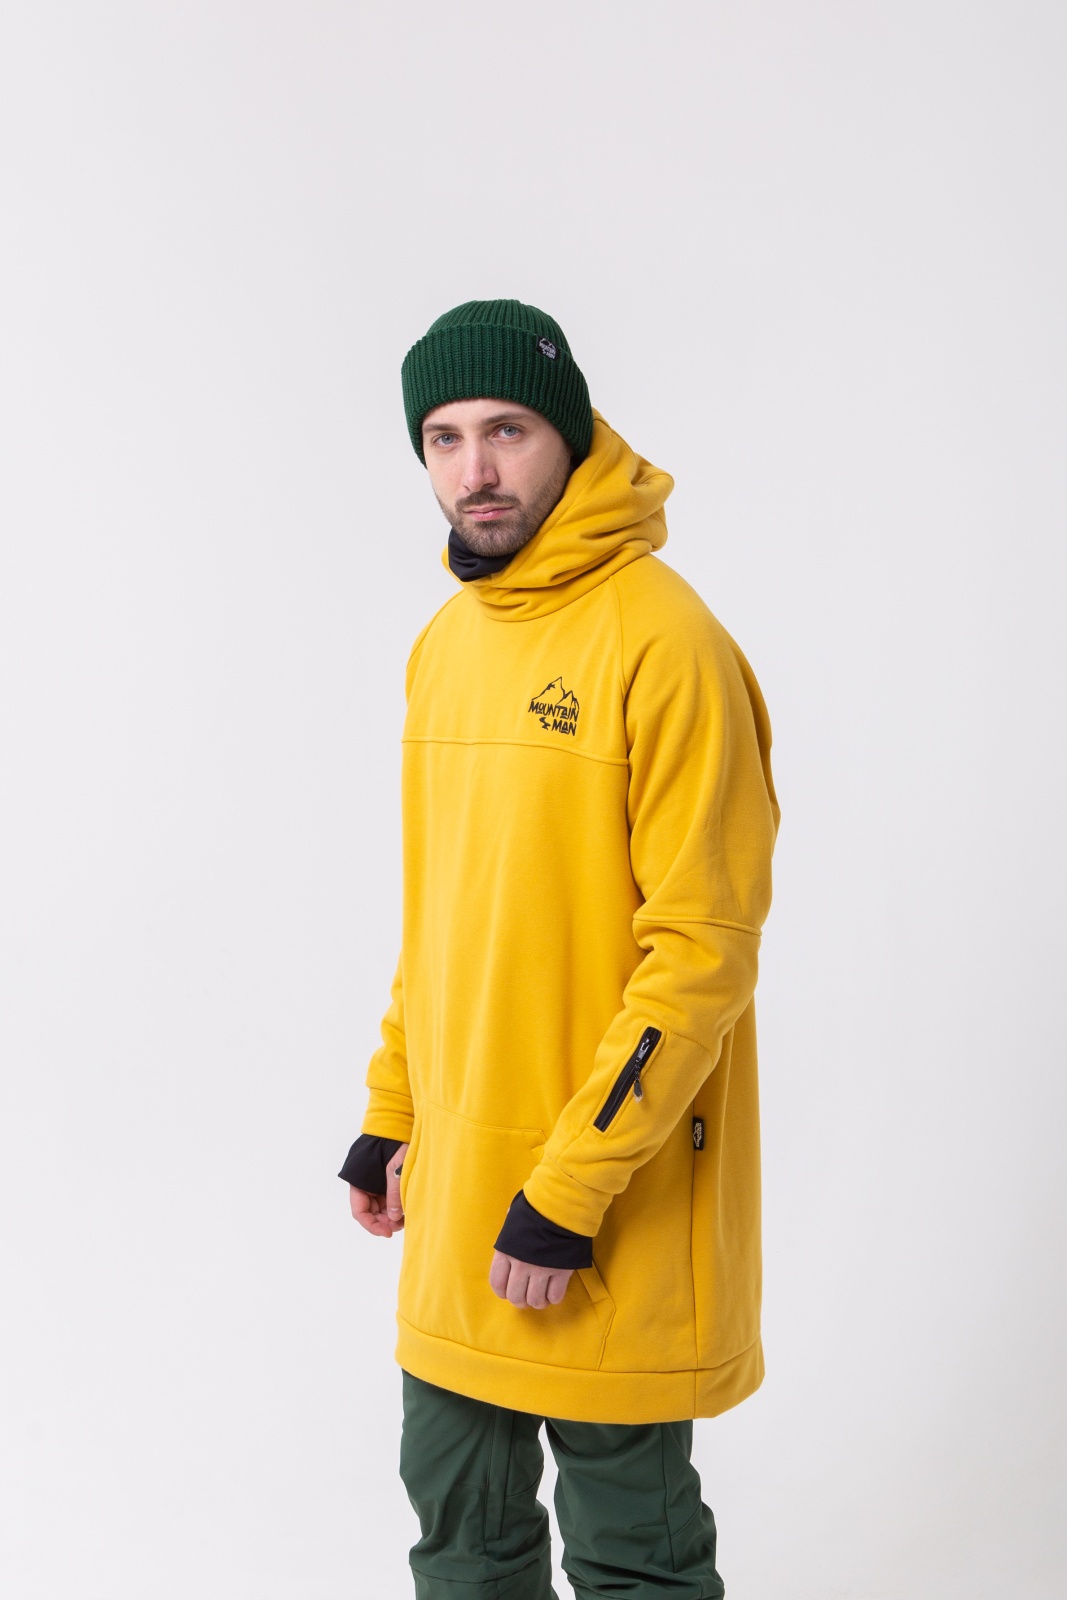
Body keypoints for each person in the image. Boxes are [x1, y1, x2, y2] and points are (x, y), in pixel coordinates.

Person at [339, 298, 779, 1598]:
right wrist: (391, 1111)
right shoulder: (445, 648)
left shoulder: (667, 643)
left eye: (509, 431)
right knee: (460, 1540)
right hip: (461, 1197)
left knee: (635, 1557)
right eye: (444, 437)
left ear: (571, 436)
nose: (474, 469)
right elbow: (445, 915)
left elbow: (701, 955)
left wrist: (570, 1190)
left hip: (606, 1201)